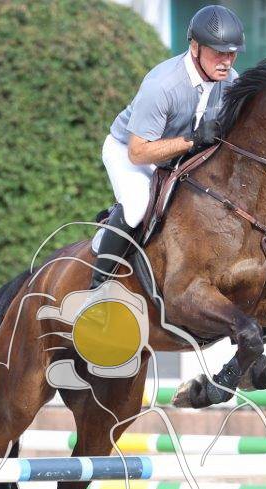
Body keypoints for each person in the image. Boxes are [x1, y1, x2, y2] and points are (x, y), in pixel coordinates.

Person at [92, 4, 244, 288]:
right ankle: (97, 285)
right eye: (218, 52)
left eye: (232, 53)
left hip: (177, 157)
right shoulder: (162, 85)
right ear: (195, 47)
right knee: (138, 206)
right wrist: (193, 140)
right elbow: (138, 152)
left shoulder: (231, 82)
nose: (227, 61)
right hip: (130, 151)